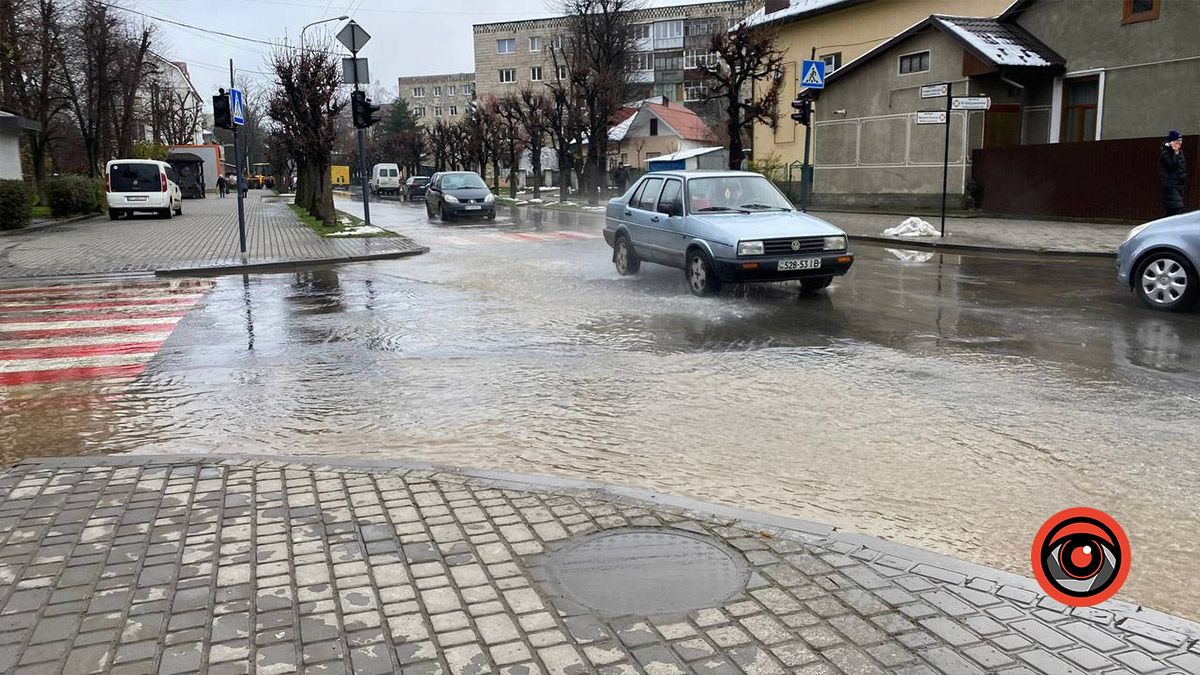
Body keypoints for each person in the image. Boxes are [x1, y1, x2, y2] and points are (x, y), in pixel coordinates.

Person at [1160, 130, 1187, 217]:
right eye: (1177, 141)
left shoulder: (1180, 151)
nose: (1179, 143)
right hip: (1170, 184)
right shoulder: (1165, 152)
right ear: (1171, 142)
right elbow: (1171, 165)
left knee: (1172, 211)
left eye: (1181, 141)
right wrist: (1175, 153)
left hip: (1179, 184)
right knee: (1176, 208)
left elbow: (1182, 166)